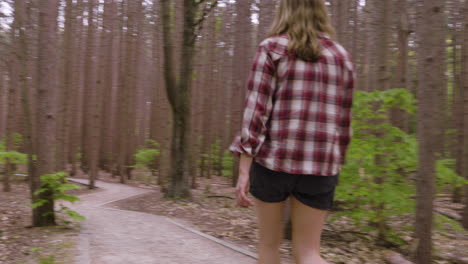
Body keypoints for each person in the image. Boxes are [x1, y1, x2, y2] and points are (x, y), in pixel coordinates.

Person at [228, 0, 355, 263]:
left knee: (269, 247)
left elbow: (256, 111)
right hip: (320, 168)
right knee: (309, 252)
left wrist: (243, 168)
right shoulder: (341, 56)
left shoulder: (271, 48)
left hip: (273, 163)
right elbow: (344, 122)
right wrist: (336, 162)